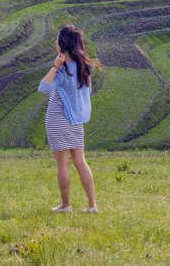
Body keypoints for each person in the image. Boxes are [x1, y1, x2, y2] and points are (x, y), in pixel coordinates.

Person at [38, 24, 102, 213]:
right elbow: (86, 92)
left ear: (61, 44)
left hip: (59, 119)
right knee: (80, 161)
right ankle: (92, 205)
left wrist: (55, 67)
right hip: (76, 120)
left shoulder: (64, 70)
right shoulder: (83, 67)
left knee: (62, 163)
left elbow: (44, 87)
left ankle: (66, 205)